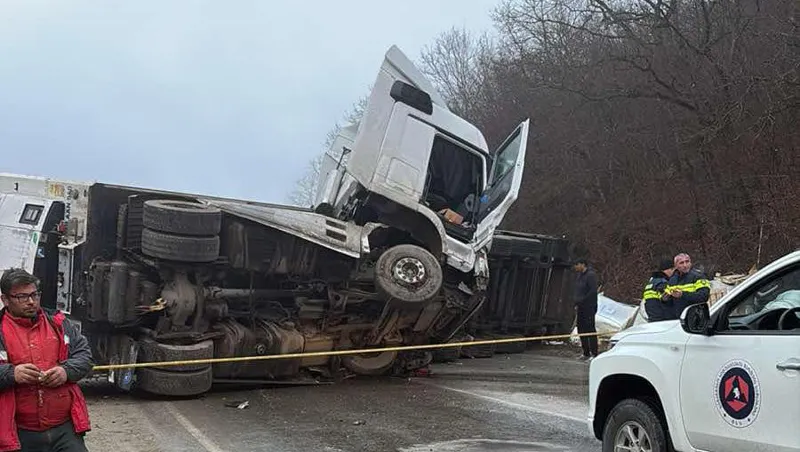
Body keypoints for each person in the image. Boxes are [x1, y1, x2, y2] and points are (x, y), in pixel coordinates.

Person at [0, 268, 93, 452]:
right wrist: (12, 373)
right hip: (18, 432)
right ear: (5, 299)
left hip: (64, 430)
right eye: (22, 297)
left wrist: (65, 371)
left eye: (35, 294)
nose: (31, 302)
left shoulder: (58, 323)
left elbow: (84, 356)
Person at [666, 253, 711, 319]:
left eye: (687, 262)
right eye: (681, 263)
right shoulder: (672, 280)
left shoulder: (699, 276)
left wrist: (683, 294)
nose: (685, 265)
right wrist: (665, 299)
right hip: (678, 318)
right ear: (676, 266)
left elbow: (704, 296)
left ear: (690, 263)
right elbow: (671, 303)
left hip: (696, 317)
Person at [572, 258, 598, 360]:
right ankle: (585, 352)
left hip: (589, 306)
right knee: (581, 329)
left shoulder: (590, 275)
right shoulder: (579, 276)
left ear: (583, 264)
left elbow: (592, 291)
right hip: (580, 306)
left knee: (590, 329)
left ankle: (594, 353)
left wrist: (583, 299)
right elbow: (578, 290)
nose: (575, 267)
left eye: (577, 265)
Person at [642, 258, 676, 322]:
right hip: (663, 320)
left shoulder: (651, 283)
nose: (674, 272)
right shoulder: (662, 283)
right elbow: (667, 300)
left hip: (653, 319)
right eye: (673, 269)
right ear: (669, 269)